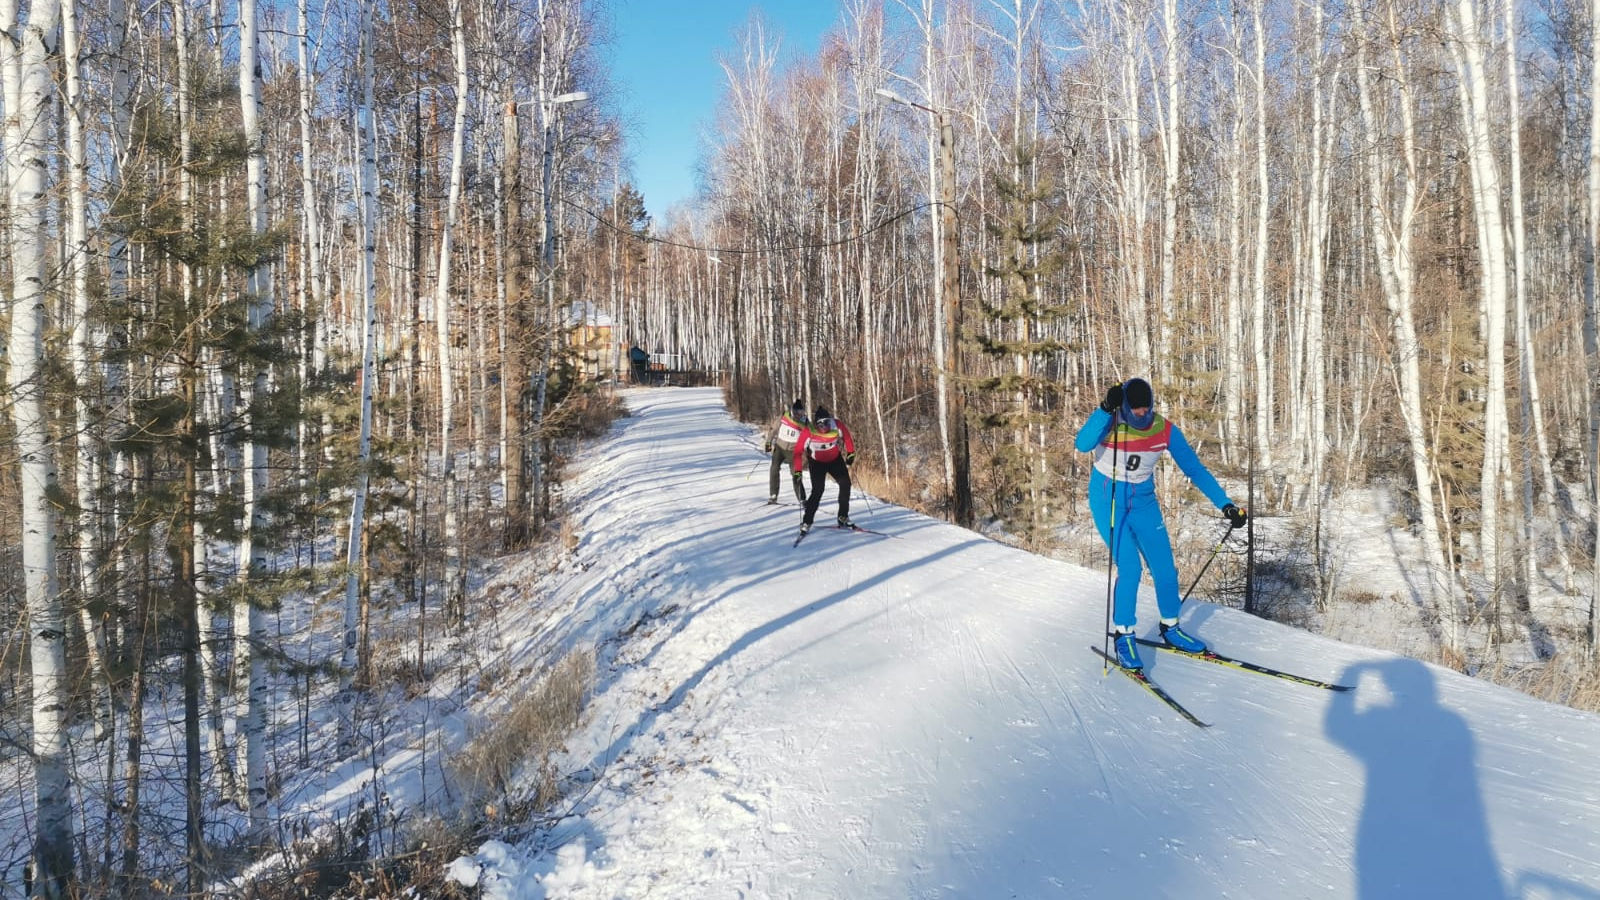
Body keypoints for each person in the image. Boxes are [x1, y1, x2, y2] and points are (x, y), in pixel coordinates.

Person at [1074, 377, 1247, 671]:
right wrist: (1104, 408)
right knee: (1130, 567)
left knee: (1165, 567)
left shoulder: (1163, 429)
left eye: (1145, 409)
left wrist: (1225, 504)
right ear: (1126, 406)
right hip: (1109, 499)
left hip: (1143, 502)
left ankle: (1171, 628)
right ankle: (1123, 633)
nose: (1141, 414)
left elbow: (1194, 468)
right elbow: (1082, 444)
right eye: (1135, 409)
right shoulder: (1111, 420)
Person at [793, 405, 857, 535]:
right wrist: (798, 471)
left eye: (826, 422)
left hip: (834, 459)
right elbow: (798, 451)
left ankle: (842, 516)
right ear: (816, 423)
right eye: (820, 423)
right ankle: (807, 521)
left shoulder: (836, 425)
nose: (824, 426)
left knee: (845, 484)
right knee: (818, 490)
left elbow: (847, 437)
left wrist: (851, 453)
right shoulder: (808, 431)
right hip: (817, 462)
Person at [763, 399, 811, 504]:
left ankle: (802, 498)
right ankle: (773, 495)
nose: (799, 415)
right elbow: (773, 429)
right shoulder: (784, 416)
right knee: (774, 468)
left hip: (794, 451)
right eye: (797, 413)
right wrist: (768, 442)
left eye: (801, 413)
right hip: (780, 447)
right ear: (792, 411)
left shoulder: (805, 422)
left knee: (796, 474)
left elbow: (810, 436)